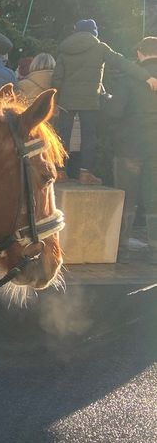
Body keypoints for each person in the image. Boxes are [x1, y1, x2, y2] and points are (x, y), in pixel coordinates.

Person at [52, 19, 157, 184]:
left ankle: (60, 172)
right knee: (88, 137)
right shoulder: (100, 47)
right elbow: (122, 63)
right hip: (90, 101)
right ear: (94, 33)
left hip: (66, 101)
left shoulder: (65, 50)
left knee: (62, 136)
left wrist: (54, 102)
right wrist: (146, 77)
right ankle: (85, 174)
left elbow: (56, 78)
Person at [104, 36, 157, 262]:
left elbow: (115, 112)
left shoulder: (129, 79)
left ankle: (121, 247)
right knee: (153, 197)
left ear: (139, 53)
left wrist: (104, 99)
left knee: (127, 197)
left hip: (130, 146)